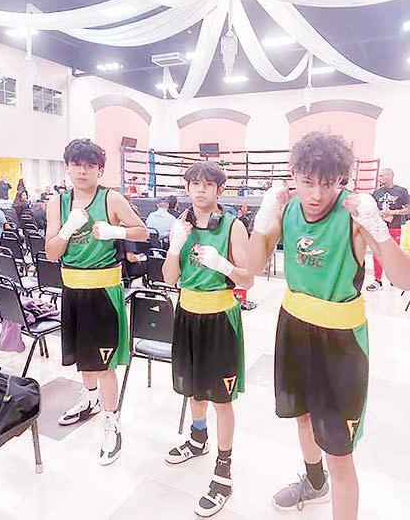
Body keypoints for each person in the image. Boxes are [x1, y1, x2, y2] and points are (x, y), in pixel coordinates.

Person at [248, 131, 410, 520]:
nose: (317, 194)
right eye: (307, 182)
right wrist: (262, 220)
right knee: (302, 415)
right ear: (293, 175)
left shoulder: (353, 215)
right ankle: (313, 481)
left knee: (339, 451)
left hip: (341, 343)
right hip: (294, 328)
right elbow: (250, 271)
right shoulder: (287, 210)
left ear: (341, 179)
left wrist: (376, 226)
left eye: (328, 183)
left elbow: (404, 278)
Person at [45, 138, 148, 465]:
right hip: (72, 290)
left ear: (100, 170)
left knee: (105, 365)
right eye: (77, 164)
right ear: (68, 168)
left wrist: (117, 232)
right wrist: (66, 231)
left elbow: (142, 231)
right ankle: (89, 400)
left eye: (90, 165)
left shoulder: (111, 198)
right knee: (83, 358)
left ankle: (112, 422)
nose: (82, 171)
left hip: (104, 291)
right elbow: (51, 253)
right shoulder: (57, 203)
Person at [162, 161, 253, 517]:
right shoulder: (181, 224)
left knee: (221, 399)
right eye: (195, 184)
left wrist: (224, 266)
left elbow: (248, 280)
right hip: (187, 313)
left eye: (208, 184)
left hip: (219, 319)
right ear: (187, 189)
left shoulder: (233, 226)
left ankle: (224, 468)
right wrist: (175, 247)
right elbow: (169, 278)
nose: (200, 190)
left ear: (219, 190)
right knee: (194, 389)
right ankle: (198, 438)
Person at [366, 168, 410, 291]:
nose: (379, 178)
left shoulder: (401, 191)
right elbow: (373, 208)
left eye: (382, 176)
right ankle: (377, 280)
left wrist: (394, 212)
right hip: (379, 227)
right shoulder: (377, 193)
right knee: (377, 253)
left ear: (390, 176)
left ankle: (394, 278)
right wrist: (379, 214)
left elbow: (408, 209)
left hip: (394, 227)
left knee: (393, 254)